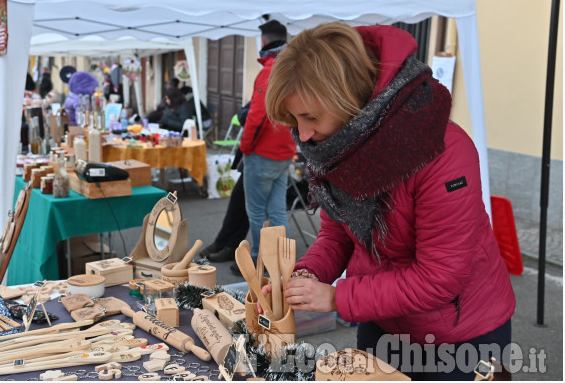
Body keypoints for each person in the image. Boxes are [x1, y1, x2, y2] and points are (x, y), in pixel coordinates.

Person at [263, 22, 516, 380]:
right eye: (294, 119)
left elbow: (439, 278)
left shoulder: (443, 151)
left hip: (461, 338)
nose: (303, 135)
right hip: (383, 321)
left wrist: (337, 298)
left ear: (348, 100)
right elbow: (338, 236)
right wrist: (307, 275)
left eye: (310, 118)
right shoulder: (341, 144)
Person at [239, 19, 296, 264]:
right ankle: (284, 261)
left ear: (263, 41)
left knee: (257, 212)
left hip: (263, 153)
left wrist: (245, 146)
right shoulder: (294, 68)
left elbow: (257, 114)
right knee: (277, 210)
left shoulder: (270, 70)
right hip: (284, 151)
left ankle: (259, 262)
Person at [199, 102, 251, 262]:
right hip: (256, 154)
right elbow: (242, 113)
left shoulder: (272, 86)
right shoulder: (264, 84)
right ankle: (224, 243)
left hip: (266, 156)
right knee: (240, 202)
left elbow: (249, 116)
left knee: (248, 205)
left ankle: (232, 246)